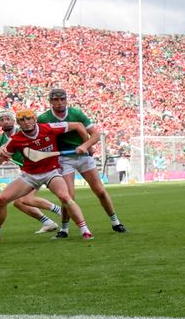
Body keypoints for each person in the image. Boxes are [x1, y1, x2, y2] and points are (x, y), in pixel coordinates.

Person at [0, 110, 94, 245]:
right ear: (19, 123)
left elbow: (78, 125)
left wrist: (86, 144)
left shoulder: (49, 128)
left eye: (29, 119)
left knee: (65, 197)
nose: (26, 123)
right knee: (2, 199)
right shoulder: (16, 139)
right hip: (30, 175)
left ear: (35, 119)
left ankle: (85, 230)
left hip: (51, 172)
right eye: (22, 120)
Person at [38, 89, 126, 237]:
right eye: (56, 100)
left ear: (66, 100)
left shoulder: (76, 113)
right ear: (50, 102)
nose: (59, 103)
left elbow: (95, 134)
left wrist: (85, 146)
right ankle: (64, 229)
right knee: (68, 196)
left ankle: (116, 222)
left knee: (100, 191)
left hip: (83, 156)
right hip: (64, 159)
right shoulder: (43, 118)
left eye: (62, 99)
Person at [0, 109, 63, 234]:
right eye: (2, 120)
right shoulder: (1, 140)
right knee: (18, 203)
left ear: (14, 121)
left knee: (25, 200)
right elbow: (1, 157)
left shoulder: (24, 131)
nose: (5, 122)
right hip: (27, 172)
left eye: (8, 119)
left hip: (40, 169)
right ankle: (48, 222)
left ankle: (60, 211)